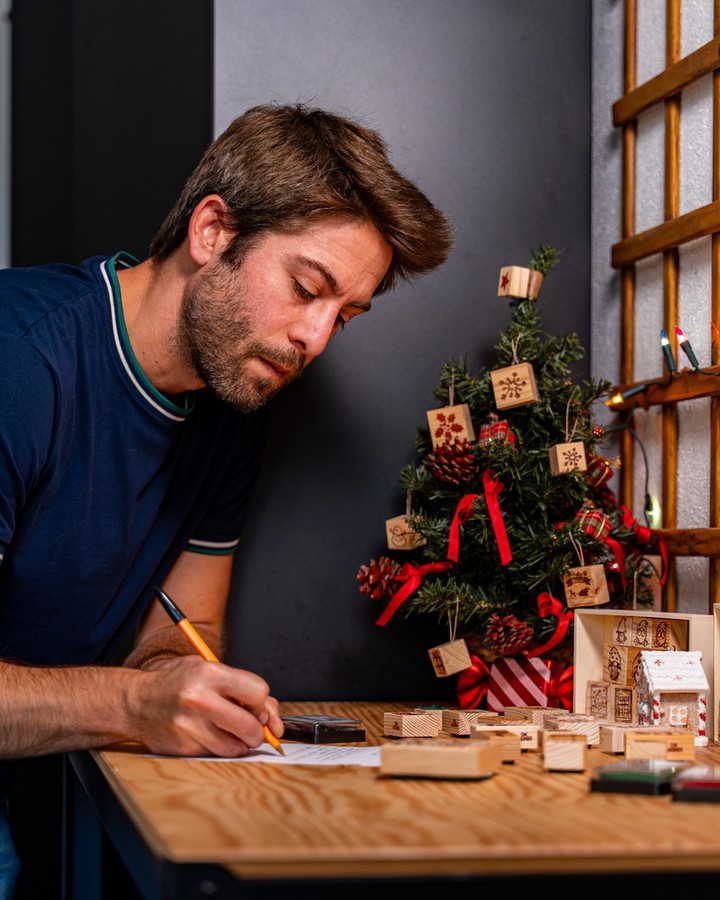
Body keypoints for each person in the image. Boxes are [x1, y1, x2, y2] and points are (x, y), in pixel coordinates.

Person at [0, 101, 452, 894]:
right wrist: (138, 704)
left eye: (344, 316)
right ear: (212, 231)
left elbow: (186, 625)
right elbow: (137, 691)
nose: (315, 338)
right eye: (307, 287)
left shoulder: (236, 395)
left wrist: (188, 685)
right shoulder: (16, 362)